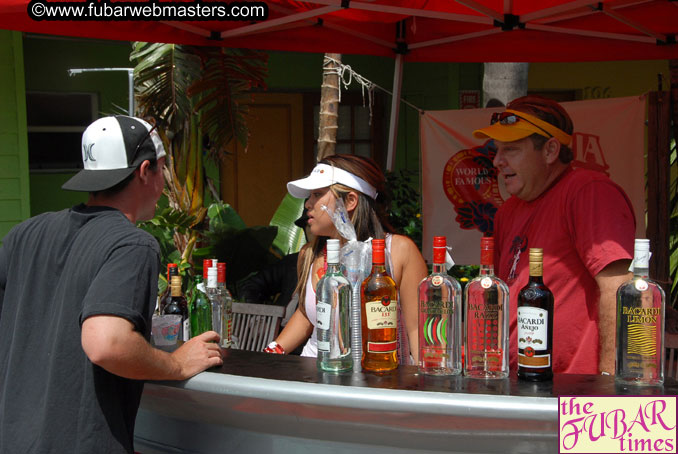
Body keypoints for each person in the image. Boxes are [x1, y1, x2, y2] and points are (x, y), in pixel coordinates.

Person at [0, 116, 223, 454]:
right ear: (144, 171)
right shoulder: (130, 244)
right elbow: (107, 343)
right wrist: (177, 364)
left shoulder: (25, 233)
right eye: (163, 170)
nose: (164, 183)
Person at [473, 95, 635, 375]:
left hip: (576, 394)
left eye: (511, 149)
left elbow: (619, 289)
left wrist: (612, 387)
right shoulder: (508, 212)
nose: (498, 161)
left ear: (549, 151)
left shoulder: (588, 190)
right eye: (497, 150)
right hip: (517, 385)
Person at [264, 155, 428, 364]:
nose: (308, 204)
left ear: (350, 201)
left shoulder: (398, 251)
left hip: (379, 377)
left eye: (317, 194)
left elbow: (416, 328)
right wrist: (271, 352)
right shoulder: (309, 254)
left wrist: (423, 381)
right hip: (315, 375)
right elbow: (307, 315)